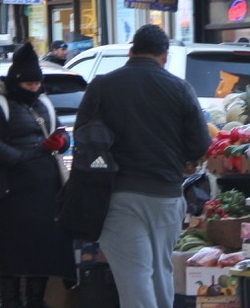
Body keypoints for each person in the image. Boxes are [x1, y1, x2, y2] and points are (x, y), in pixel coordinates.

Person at [75, 24, 210, 308]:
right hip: (166, 195)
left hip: (117, 194)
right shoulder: (180, 88)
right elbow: (200, 144)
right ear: (164, 56)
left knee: (134, 276)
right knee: (161, 271)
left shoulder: (102, 86)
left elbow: (82, 136)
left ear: (131, 52)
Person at [0, 42, 75, 308]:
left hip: (45, 191)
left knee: (42, 250)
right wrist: (20, 158)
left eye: (37, 84)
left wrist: (61, 141)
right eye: (29, 84)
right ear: (16, 81)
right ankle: (10, 301)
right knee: (11, 251)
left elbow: (58, 131)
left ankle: (35, 300)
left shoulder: (43, 101)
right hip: (11, 190)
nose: (34, 89)